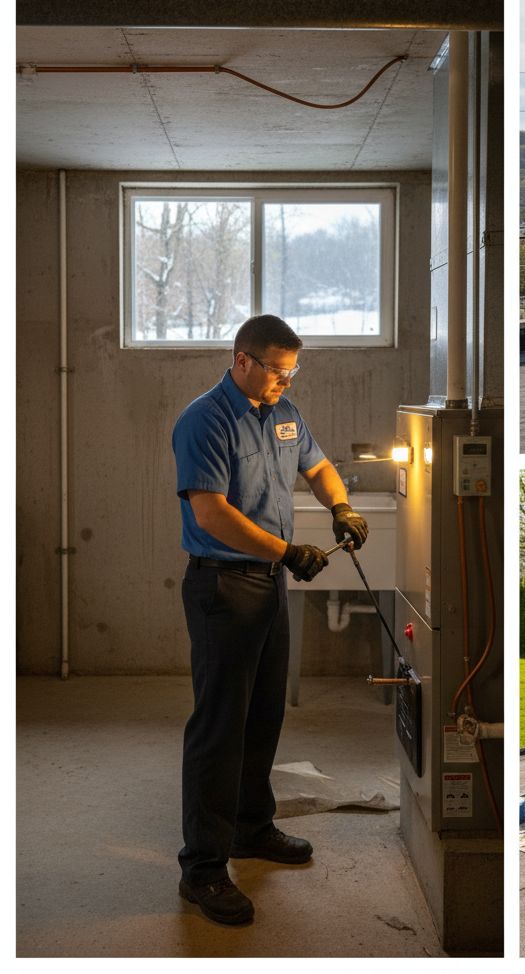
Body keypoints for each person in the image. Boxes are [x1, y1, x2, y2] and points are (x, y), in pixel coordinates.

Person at [172, 314, 369, 925]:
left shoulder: (286, 412)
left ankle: (252, 828)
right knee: (219, 726)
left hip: (268, 584)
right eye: (277, 370)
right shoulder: (204, 419)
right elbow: (211, 514)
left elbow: (317, 465)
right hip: (223, 585)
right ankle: (202, 868)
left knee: (262, 714)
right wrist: (286, 550)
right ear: (242, 360)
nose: (286, 379)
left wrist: (340, 505)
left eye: (292, 370)